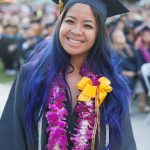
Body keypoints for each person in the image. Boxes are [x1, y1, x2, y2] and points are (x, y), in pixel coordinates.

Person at [0, 0, 136, 150]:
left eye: (87, 25)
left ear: (99, 33)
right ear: (60, 24)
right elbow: (11, 137)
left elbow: (124, 144)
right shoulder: (32, 76)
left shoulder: (111, 87)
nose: (76, 31)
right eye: (70, 21)